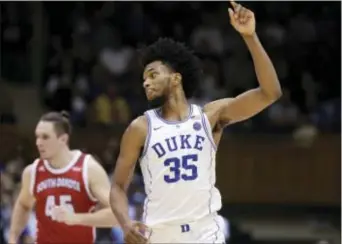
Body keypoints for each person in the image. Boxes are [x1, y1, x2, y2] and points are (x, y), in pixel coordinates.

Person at [109, 1, 282, 243]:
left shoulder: (210, 116)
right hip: (160, 234)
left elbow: (269, 93)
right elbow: (117, 187)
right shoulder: (140, 127)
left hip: (205, 233)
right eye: (143, 78)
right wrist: (125, 223)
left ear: (176, 78)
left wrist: (250, 36)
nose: (145, 83)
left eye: (153, 75)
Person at [8, 111, 118, 244]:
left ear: (63, 139)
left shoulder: (88, 169)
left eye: (45, 137)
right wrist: (13, 238)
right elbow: (24, 205)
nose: (38, 142)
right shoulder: (32, 172)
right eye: (37, 137)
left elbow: (117, 215)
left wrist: (75, 218)